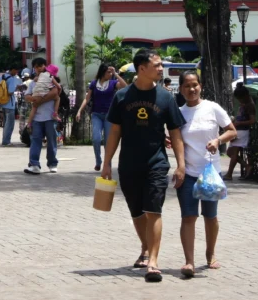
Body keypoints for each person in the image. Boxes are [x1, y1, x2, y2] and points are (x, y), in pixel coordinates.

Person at [101, 49, 186, 283]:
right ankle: (145, 247)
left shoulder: (166, 97)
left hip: (156, 163)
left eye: (161, 65)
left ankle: (153, 262)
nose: (161, 68)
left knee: (153, 210)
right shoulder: (122, 96)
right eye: (156, 65)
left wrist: (180, 164)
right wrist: (107, 163)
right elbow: (114, 132)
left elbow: (175, 132)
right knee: (137, 211)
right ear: (141, 68)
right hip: (129, 164)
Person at [177, 70, 236, 277]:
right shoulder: (178, 113)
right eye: (187, 86)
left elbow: (232, 130)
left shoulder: (212, 108)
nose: (191, 89)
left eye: (195, 85)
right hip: (188, 173)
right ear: (181, 89)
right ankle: (189, 262)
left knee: (210, 216)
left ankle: (210, 254)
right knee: (188, 216)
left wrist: (218, 140)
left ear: (200, 86)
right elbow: (174, 138)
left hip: (211, 174)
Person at [76, 64, 127, 171]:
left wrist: (115, 74)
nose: (110, 74)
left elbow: (125, 86)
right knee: (96, 139)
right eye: (108, 72)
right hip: (96, 114)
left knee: (108, 141)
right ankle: (98, 161)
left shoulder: (113, 83)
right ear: (102, 72)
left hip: (109, 115)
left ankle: (107, 164)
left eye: (111, 72)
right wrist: (79, 111)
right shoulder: (94, 83)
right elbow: (87, 98)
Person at [23, 58, 60, 174]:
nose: (38, 68)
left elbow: (55, 93)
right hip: (37, 118)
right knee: (35, 141)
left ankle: (52, 163)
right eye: (36, 66)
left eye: (41, 65)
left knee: (51, 141)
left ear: (45, 66)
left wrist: (40, 100)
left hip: (50, 117)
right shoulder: (33, 83)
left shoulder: (50, 79)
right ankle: (34, 164)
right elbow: (27, 96)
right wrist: (34, 99)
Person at [225, 85, 255, 180]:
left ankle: (229, 174)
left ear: (245, 96)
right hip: (237, 130)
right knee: (229, 152)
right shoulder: (243, 104)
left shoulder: (250, 105)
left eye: (240, 98)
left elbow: (252, 120)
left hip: (242, 131)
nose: (239, 100)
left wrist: (239, 123)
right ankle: (247, 166)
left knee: (234, 152)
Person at [0, 66, 21, 146]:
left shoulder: (2, 77)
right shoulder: (11, 79)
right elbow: (10, 91)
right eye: (16, 71)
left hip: (3, 103)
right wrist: (16, 87)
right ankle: (6, 141)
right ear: (13, 70)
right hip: (10, 104)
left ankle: (4, 140)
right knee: (10, 125)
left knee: (5, 124)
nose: (16, 73)